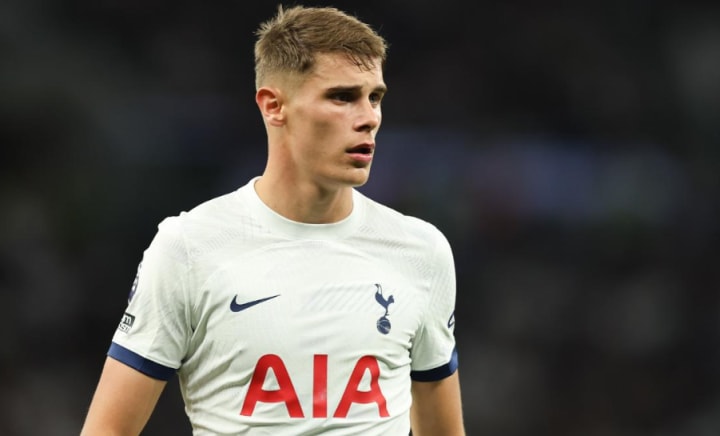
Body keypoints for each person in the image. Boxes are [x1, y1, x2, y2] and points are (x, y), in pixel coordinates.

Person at [80, 4, 465, 435]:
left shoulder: (421, 251)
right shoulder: (189, 247)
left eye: (374, 97)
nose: (369, 118)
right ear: (274, 105)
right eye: (342, 97)